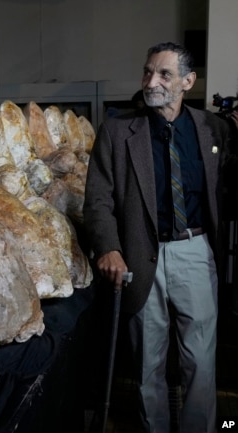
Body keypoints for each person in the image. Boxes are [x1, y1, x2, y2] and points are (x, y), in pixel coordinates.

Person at [84, 41, 237, 433]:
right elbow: (97, 199)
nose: (152, 81)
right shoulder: (117, 131)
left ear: (188, 81)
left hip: (196, 253)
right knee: (148, 362)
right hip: (138, 255)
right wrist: (109, 248)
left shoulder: (214, 129)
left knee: (200, 361)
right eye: (148, 72)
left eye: (164, 74)